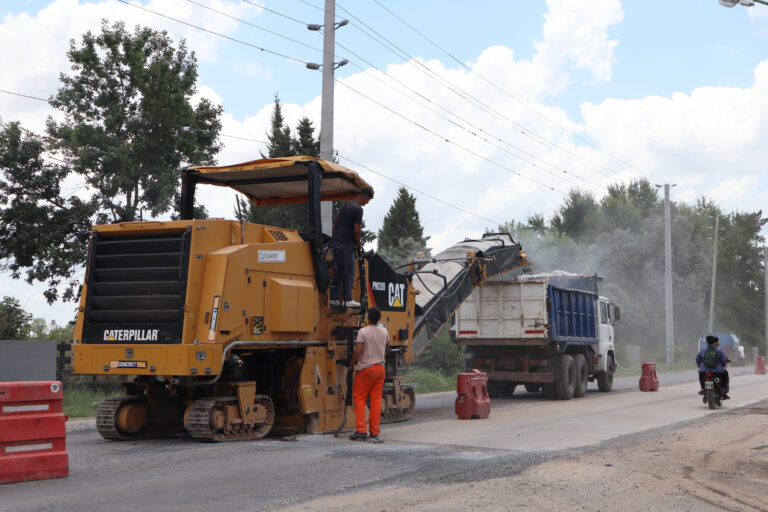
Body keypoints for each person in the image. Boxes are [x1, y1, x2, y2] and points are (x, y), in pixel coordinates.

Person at [348, 307, 389, 443]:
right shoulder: (384, 331)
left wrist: (351, 363)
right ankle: (374, 433)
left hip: (366, 369)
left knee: (359, 399)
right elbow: (387, 346)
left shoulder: (363, 331)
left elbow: (358, 350)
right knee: (376, 401)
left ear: (368, 318)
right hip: (380, 370)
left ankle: (360, 431)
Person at [329, 188, 373, 308]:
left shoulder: (346, 206)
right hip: (347, 245)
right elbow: (356, 229)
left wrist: (335, 238)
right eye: (367, 200)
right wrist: (359, 243)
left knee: (337, 272)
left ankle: (333, 298)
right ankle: (348, 298)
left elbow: (335, 222)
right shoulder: (358, 209)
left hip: (336, 244)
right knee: (348, 272)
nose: (366, 203)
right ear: (363, 197)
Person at [696, 335, 730, 399]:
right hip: (717, 371)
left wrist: (700, 366)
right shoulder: (719, 350)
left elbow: (697, 359)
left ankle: (703, 388)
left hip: (704, 370)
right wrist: (724, 364)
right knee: (725, 374)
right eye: (718, 342)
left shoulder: (703, 350)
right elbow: (723, 360)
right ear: (715, 342)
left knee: (701, 375)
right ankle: (723, 388)